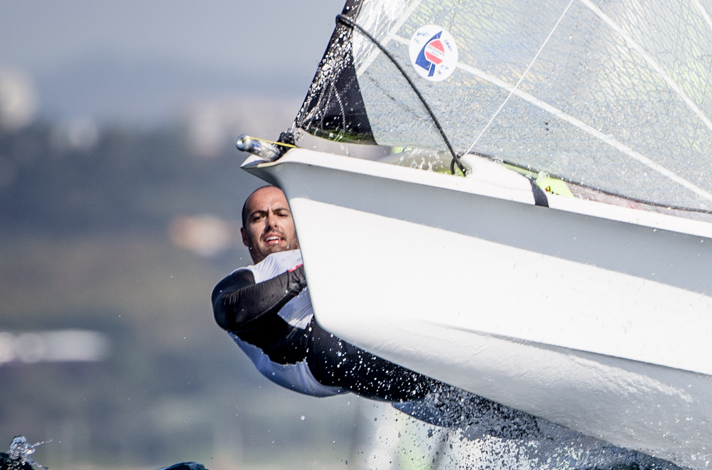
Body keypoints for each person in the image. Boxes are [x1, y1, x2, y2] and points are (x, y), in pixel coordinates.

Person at [215, 185, 539, 434]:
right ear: (245, 235)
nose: (271, 223)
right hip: (321, 350)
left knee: (452, 378)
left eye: (280, 214)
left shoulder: (323, 248)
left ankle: (537, 406)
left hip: (370, 330)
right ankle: (518, 390)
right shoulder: (248, 277)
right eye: (258, 218)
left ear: (296, 222)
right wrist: (308, 271)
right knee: (439, 376)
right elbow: (232, 311)